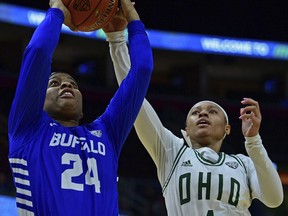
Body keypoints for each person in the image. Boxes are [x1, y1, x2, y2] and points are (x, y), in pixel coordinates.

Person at [103, 19, 284, 215]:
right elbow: (133, 96)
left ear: (227, 129)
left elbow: (274, 199)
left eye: (212, 111)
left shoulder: (243, 163)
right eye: (195, 113)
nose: (203, 113)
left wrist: (253, 141)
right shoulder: (171, 152)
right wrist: (117, 40)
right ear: (186, 129)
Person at [8, 0, 153, 215]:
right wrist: (57, 10)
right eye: (54, 83)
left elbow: (142, 69)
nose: (66, 84)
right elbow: (38, 51)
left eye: (73, 85)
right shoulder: (26, 128)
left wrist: (130, 16)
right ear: (38, 99)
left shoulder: (107, 132)